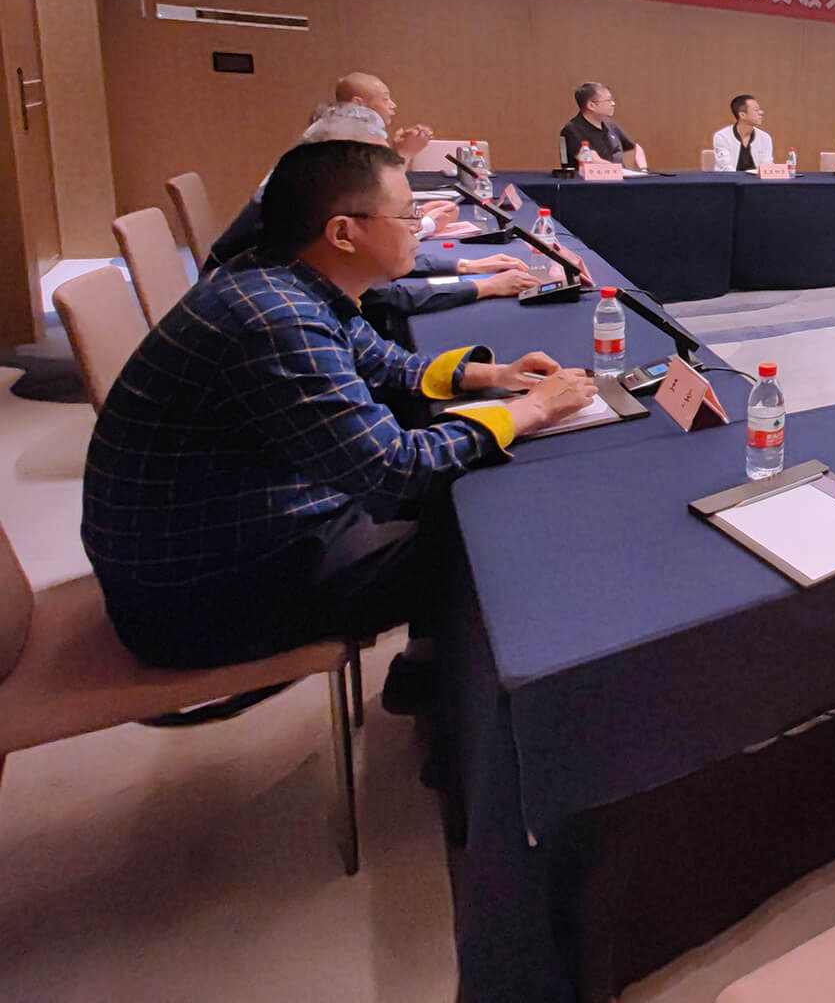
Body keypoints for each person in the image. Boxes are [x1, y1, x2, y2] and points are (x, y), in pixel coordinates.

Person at [82, 140, 597, 671]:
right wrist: (530, 411)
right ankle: (457, 707)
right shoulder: (276, 320)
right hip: (198, 599)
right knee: (490, 543)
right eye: (407, 214)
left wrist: (496, 376)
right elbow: (394, 468)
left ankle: (427, 675)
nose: (418, 227)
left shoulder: (284, 277)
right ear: (343, 233)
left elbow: (384, 362)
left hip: (226, 539)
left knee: (463, 493)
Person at [205, 107, 543, 339]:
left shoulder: (310, 240)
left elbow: (377, 355)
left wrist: (466, 265)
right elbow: (382, 297)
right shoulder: (286, 316)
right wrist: (482, 285)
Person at [336, 71, 432, 163]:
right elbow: (384, 175)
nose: (393, 105)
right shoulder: (360, 141)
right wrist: (405, 153)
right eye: (385, 99)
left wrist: (395, 151)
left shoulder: (340, 133)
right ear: (358, 104)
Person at [560, 82, 647, 171]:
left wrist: (643, 169)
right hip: (594, 178)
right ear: (591, 105)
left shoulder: (611, 125)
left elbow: (634, 148)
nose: (613, 103)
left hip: (621, 175)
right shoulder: (572, 129)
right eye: (608, 100)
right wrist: (619, 171)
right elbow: (592, 160)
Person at [713, 93, 773, 172]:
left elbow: (766, 167)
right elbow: (726, 168)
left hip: (756, 179)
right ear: (742, 115)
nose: (761, 112)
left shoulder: (765, 137)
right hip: (730, 179)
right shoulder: (722, 136)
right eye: (756, 110)